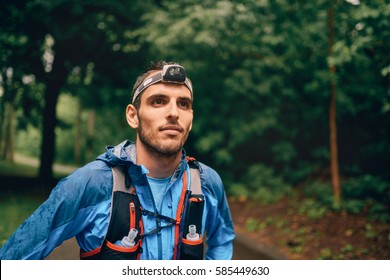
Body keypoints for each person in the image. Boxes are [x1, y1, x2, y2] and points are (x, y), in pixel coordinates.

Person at [0, 61, 235, 260]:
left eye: (183, 104)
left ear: (190, 118)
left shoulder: (206, 182)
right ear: (133, 116)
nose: (173, 112)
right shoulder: (90, 183)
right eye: (158, 101)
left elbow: (222, 241)